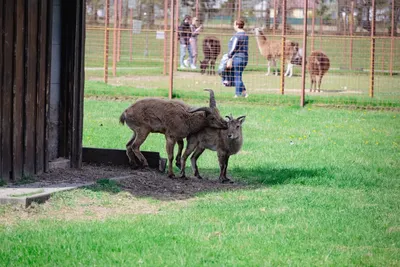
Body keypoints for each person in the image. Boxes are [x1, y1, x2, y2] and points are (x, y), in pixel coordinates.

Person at [224, 18, 249, 98]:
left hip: (238, 57)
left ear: (237, 25)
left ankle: (237, 94)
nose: (233, 26)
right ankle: (244, 93)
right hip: (245, 58)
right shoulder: (245, 35)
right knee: (238, 75)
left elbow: (233, 47)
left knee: (237, 76)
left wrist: (229, 56)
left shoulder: (237, 35)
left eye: (234, 24)